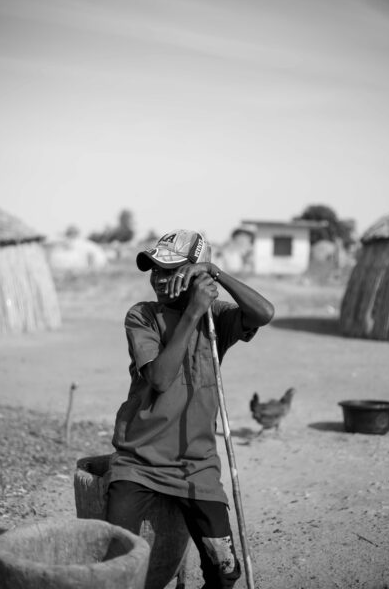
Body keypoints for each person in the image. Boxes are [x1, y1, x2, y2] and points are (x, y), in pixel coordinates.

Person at [106, 229, 274, 588]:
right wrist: (192, 313)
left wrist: (216, 273)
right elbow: (162, 380)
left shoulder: (217, 319)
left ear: (194, 273)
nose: (158, 278)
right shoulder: (143, 316)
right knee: (117, 562)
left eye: (169, 270)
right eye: (154, 269)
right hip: (138, 461)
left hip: (196, 467)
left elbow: (264, 312)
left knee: (225, 570)